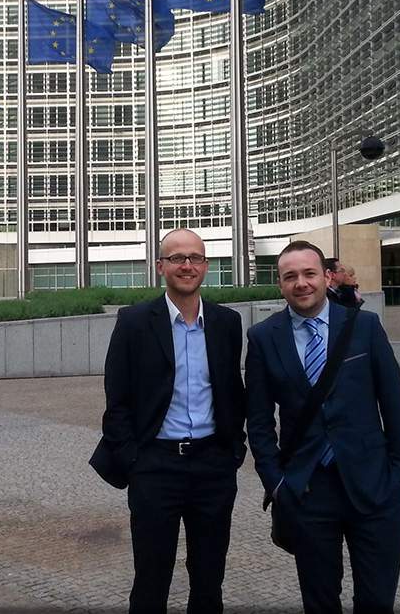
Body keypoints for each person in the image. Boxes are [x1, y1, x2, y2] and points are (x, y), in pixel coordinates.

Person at [245, 240, 400, 614]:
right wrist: (276, 484)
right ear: (280, 284)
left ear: (326, 277)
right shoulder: (262, 338)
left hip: (375, 485)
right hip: (307, 490)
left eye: (309, 273)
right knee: (319, 602)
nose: (301, 283)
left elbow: (394, 402)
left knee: (376, 601)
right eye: (291, 276)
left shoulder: (364, 327)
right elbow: (258, 421)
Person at [90, 228, 246, 614]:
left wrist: (233, 451)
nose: (187, 265)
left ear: (206, 266)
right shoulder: (134, 322)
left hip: (213, 466)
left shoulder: (227, 322)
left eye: (195, 257)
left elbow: (232, 391)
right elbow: (117, 400)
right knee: (151, 579)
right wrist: (133, 460)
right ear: (161, 267)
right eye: (177, 258)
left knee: (209, 579)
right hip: (155, 466)